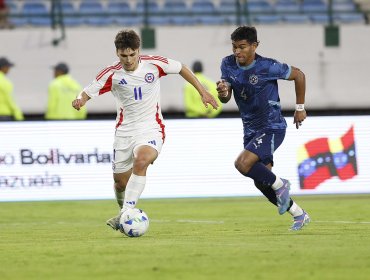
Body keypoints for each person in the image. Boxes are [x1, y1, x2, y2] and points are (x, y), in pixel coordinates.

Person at [72, 29, 219, 231]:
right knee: (119, 184)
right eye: (124, 56)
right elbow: (88, 91)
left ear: (138, 50)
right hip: (125, 132)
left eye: (132, 54)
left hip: (151, 128)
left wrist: (203, 92)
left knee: (141, 161)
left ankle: (125, 215)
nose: (129, 60)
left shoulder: (154, 64)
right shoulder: (112, 74)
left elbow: (182, 68)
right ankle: (123, 210)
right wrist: (80, 100)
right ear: (117, 53)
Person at [216, 26, 310, 231]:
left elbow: (299, 75)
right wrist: (223, 92)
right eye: (234, 47)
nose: (237, 52)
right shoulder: (227, 64)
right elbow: (225, 98)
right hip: (250, 130)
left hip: (272, 126)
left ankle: (281, 185)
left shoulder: (268, 66)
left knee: (242, 164)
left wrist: (300, 108)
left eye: (242, 47)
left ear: (254, 46)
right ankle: (298, 214)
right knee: (261, 182)